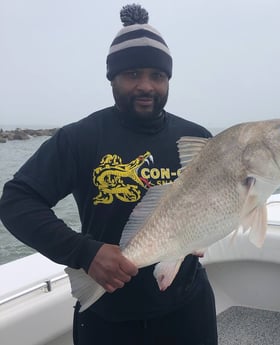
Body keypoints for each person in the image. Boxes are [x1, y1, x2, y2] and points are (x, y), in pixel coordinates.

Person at [0, 4, 218, 345]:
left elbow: (224, 199)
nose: (146, 86)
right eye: (132, 74)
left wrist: (264, 173)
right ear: (112, 77)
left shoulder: (196, 139)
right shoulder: (80, 138)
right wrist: (84, 252)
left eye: (157, 76)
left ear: (168, 80)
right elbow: (16, 201)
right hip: (107, 317)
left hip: (187, 309)